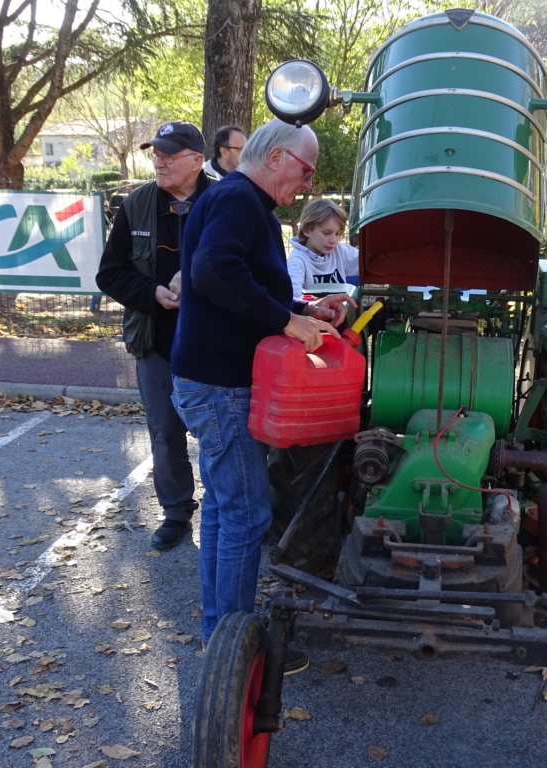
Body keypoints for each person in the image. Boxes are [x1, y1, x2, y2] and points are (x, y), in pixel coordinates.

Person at [169, 118, 356, 668]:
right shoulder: (239, 200)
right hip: (221, 385)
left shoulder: (238, 199)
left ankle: (219, 632)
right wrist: (286, 321)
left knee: (226, 511)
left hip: (210, 379)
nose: (306, 184)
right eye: (305, 170)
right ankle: (235, 647)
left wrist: (302, 311)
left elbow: (240, 283)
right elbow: (214, 273)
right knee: (247, 514)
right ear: (276, 157)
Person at [96, 120, 212, 549]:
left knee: (222, 431)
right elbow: (110, 274)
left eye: (168, 155)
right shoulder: (138, 203)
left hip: (216, 343)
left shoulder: (224, 200)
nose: (158, 161)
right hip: (155, 340)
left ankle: (223, 511)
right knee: (165, 433)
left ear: (197, 161)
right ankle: (177, 512)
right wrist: (152, 293)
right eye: (155, 155)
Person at [287, 198, 360, 298]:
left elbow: (367, 260)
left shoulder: (339, 251)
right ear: (307, 230)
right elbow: (293, 294)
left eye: (337, 234)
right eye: (326, 233)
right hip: (311, 312)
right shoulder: (298, 260)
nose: (333, 240)